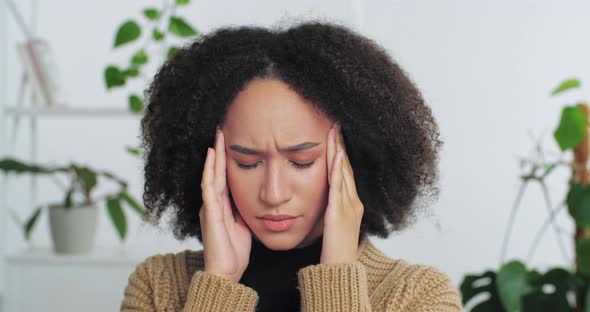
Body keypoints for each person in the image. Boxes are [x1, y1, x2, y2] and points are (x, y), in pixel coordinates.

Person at [120, 19, 462, 312]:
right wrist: (218, 284)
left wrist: (337, 279)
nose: (273, 193)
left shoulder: (419, 296)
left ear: (354, 160)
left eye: (301, 162)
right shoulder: (159, 287)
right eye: (247, 163)